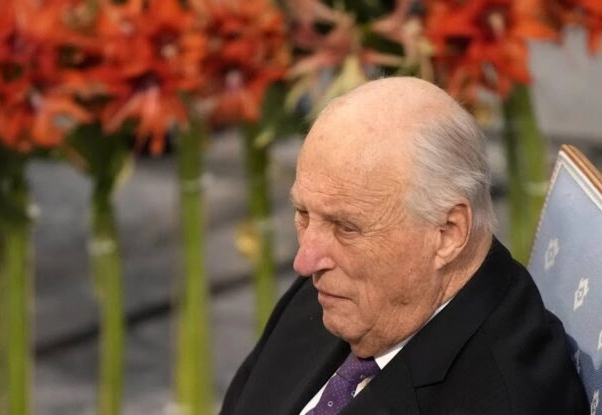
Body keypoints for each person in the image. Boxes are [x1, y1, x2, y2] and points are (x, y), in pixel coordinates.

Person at [220, 77, 588, 414]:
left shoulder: (505, 398)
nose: (305, 260)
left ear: (447, 233)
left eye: (346, 227)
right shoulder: (338, 292)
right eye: (303, 213)